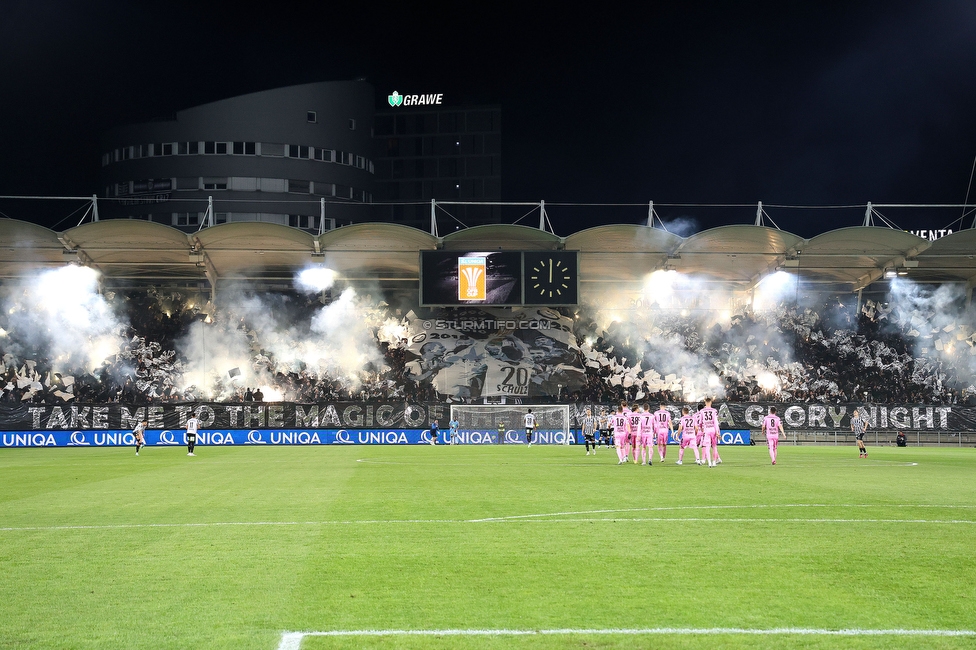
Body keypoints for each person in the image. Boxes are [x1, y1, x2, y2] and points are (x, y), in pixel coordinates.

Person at [700, 397, 722, 467]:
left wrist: (701, 428)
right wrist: (717, 432)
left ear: (705, 402)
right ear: (711, 402)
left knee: (707, 446)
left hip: (707, 429)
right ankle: (714, 462)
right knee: (714, 446)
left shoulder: (702, 411)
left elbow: (700, 422)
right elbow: (716, 422)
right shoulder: (714, 411)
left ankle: (709, 462)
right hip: (713, 429)